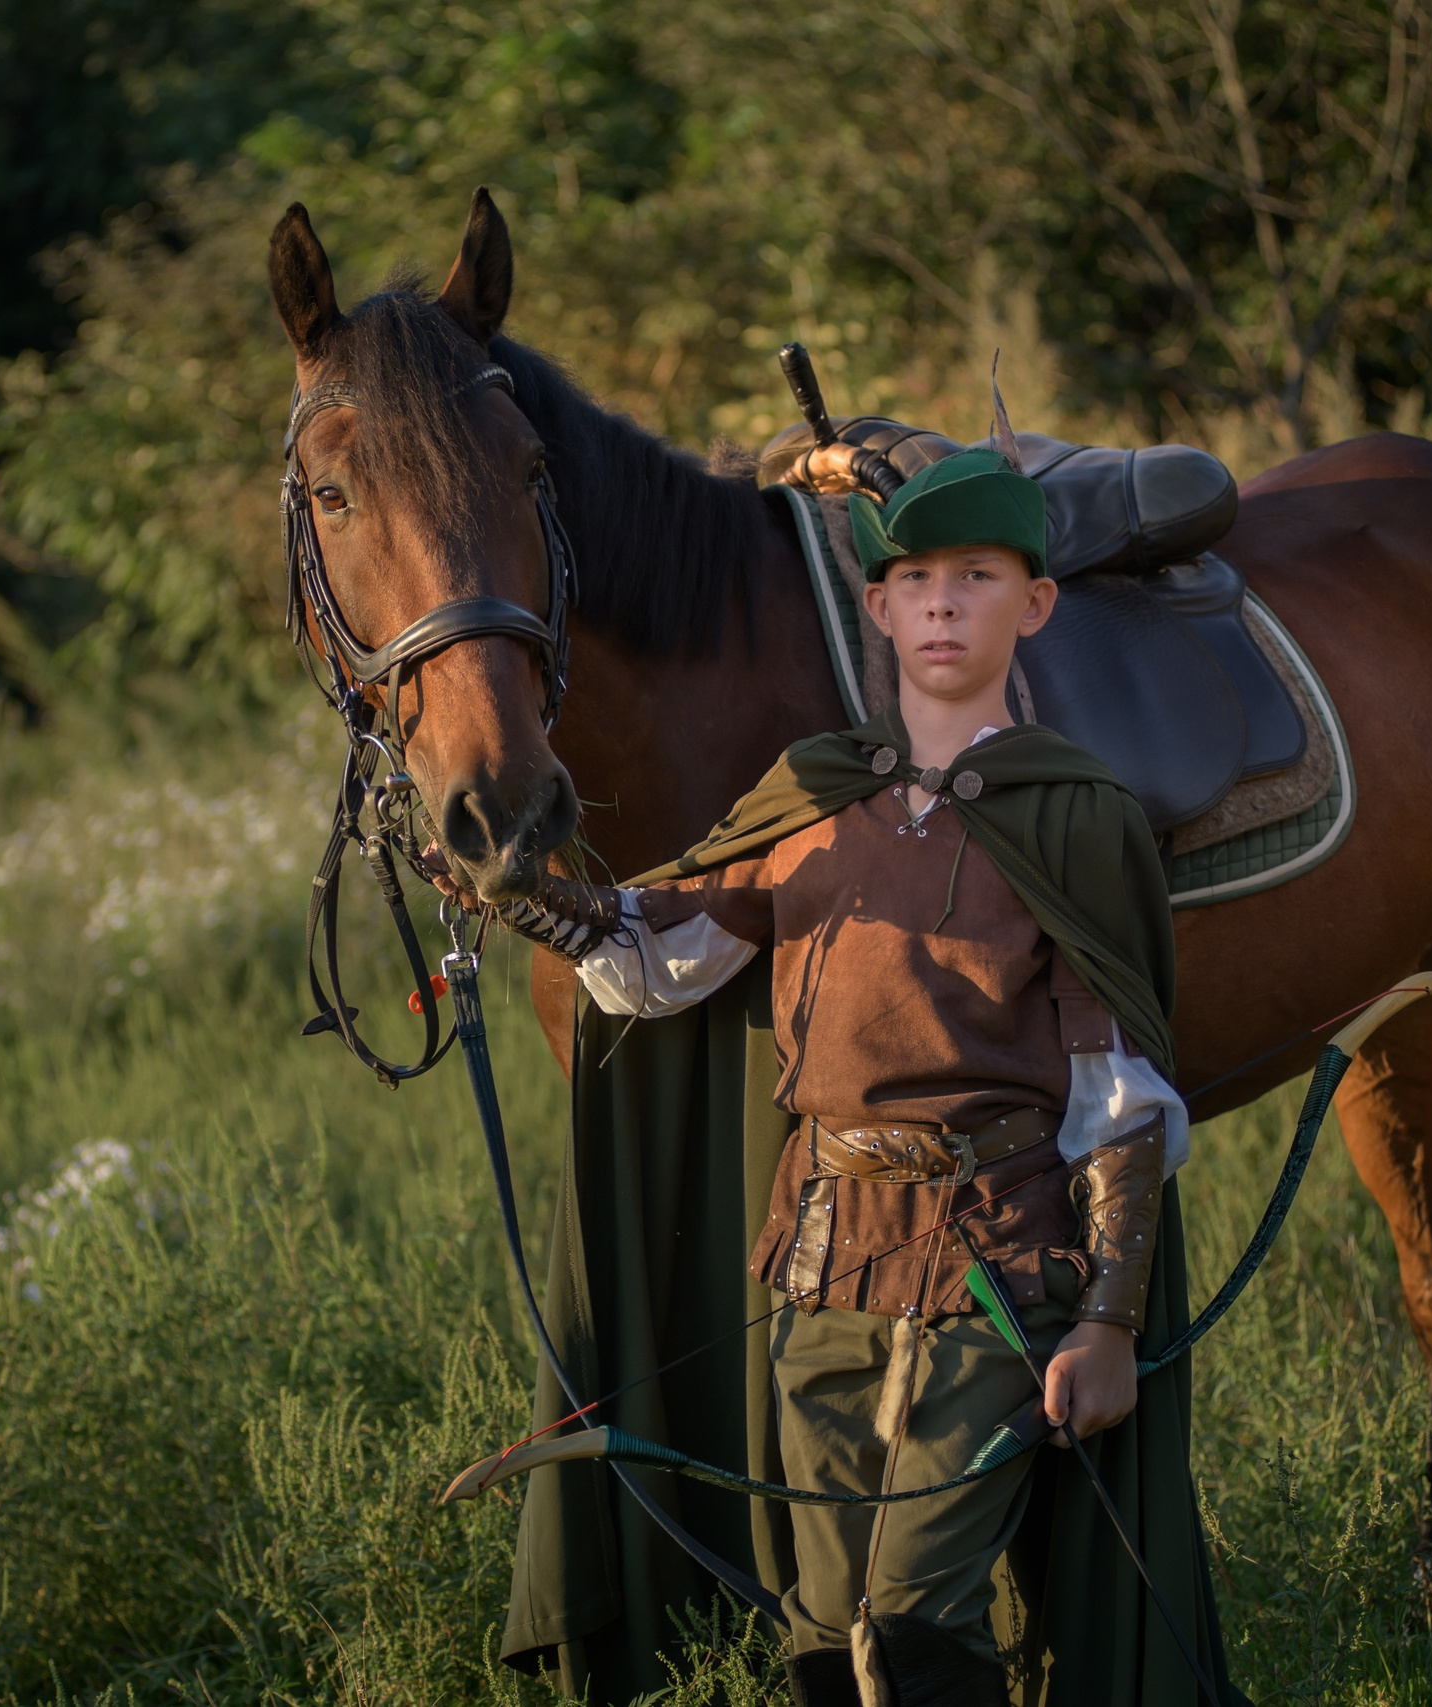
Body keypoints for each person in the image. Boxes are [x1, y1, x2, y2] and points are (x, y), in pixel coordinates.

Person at [464, 445, 1230, 1706]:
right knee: (825, 1633)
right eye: (915, 578)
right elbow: (660, 964)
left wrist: (1105, 1321)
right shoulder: (814, 793)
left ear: (1032, 604)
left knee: (913, 1624)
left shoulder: (1074, 813)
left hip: (999, 1265)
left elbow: (1119, 1093)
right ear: (875, 607)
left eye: (976, 576)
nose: (940, 603)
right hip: (816, 1267)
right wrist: (527, 896)